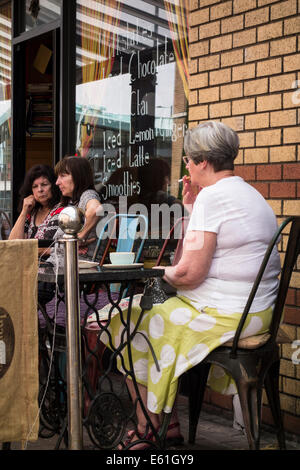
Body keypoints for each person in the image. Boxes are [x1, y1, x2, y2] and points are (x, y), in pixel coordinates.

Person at [104, 121, 281, 449]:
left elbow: (189, 274)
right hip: (255, 311)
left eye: (187, 160)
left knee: (127, 316)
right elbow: (198, 259)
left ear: (202, 162)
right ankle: (164, 422)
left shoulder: (213, 198)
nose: (185, 166)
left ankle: (148, 425)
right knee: (146, 303)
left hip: (226, 314)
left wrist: (156, 272)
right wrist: (189, 209)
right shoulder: (248, 193)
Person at [47, 155, 103, 266]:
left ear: (78, 177)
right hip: (59, 268)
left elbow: (97, 209)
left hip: (72, 271)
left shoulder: (87, 194)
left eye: (63, 176)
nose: (57, 182)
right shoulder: (73, 202)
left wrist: (78, 238)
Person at [9, 164, 63, 258]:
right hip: (28, 268)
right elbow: (12, 244)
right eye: (35, 186)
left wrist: (23, 250)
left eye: (44, 184)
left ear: (54, 186)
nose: (40, 190)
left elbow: (46, 247)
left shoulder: (61, 210)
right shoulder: (32, 213)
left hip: (51, 269)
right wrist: (24, 211)